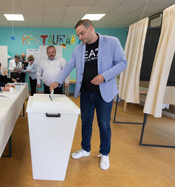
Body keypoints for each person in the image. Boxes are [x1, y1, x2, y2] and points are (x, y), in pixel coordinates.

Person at [50, 19, 127, 170]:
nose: (80, 37)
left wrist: (104, 76)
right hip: (86, 92)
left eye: (82, 33)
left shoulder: (112, 42)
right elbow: (69, 65)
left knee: (104, 124)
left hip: (104, 92)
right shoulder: (79, 49)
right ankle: (85, 149)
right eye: (78, 34)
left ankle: (104, 154)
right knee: (86, 122)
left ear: (91, 28)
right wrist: (58, 81)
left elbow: (122, 63)